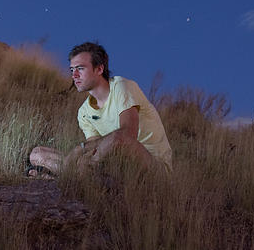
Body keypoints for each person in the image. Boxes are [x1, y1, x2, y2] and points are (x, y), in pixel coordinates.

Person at [28, 42, 172, 176]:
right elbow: (95, 149)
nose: (74, 75)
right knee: (37, 154)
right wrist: (82, 156)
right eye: (72, 70)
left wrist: (81, 148)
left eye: (80, 68)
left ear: (99, 69)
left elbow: (128, 135)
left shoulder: (122, 87)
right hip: (116, 165)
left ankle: (64, 174)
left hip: (154, 167)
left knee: (117, 138)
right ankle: (70, 174)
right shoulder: (84, 112)